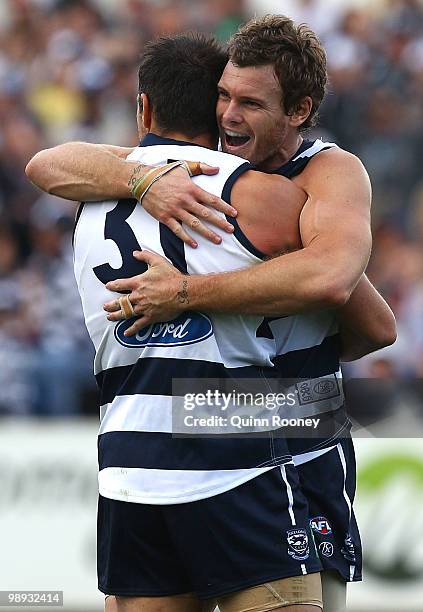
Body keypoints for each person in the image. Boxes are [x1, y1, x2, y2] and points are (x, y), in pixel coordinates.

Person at [26, 16, 397, 612]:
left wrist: (189, 295)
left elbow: (347, 295)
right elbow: (370, 323)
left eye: (250, 103)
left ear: (299, 111)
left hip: (142, 458)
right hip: (258, 456)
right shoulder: (260, 199)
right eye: (223, 97)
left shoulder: (325, 173)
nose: (229, 116)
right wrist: (143, 181)